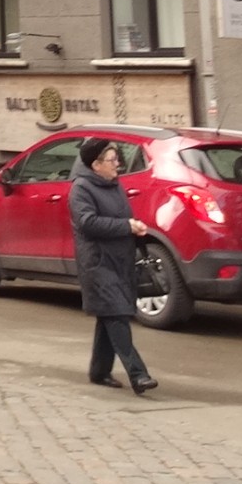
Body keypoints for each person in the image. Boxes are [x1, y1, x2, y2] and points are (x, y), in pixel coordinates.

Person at [71, 135, 157, 394]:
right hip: (98, 263)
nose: (117, 163)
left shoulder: (113, 185)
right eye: (112, 159)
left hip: (120, 261)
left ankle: (99, 372)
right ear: (96, 165)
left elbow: (121, 218)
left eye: (116, 158)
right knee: (117, 314)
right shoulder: (81, 189)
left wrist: (136, 228)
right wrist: (125, 226)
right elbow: (88, 223)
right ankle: (138, 374)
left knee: (109, 315)